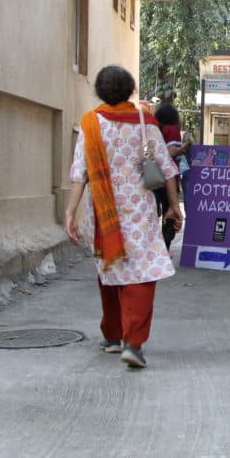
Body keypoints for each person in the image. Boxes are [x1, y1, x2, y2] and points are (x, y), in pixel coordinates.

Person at [64, 65, 183, 369]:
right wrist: (173, 206)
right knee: (141, 276)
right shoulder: (146, 122)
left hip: (103, 215)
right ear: (130, 90)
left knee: (112, 269)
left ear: (100, 92)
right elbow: (167, 168)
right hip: (140, 214)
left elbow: (81, 173)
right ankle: (133, 343)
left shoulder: (91, 124)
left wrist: (70, 212)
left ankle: (113, 335)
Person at [153, 102, 191, 250]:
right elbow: (170, 153)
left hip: (152, 178)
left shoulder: (155, 130)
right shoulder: (172, 130)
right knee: (170, 214)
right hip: (168, 180)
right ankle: (165, 248)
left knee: (154, 212)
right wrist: (184, 148)